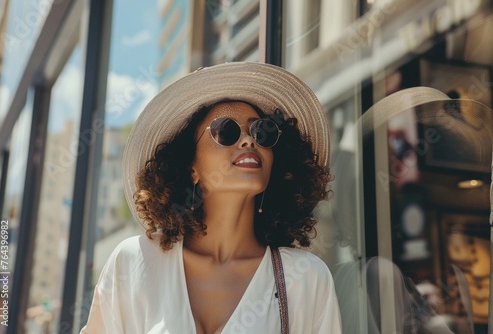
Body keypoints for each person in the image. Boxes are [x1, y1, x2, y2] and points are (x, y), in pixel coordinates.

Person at [80, 62, 342, 333]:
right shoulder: (133, 262)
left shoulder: (306, 278)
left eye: (262, 132)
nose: (248, 141)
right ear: (191, 167)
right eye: (226, 131)